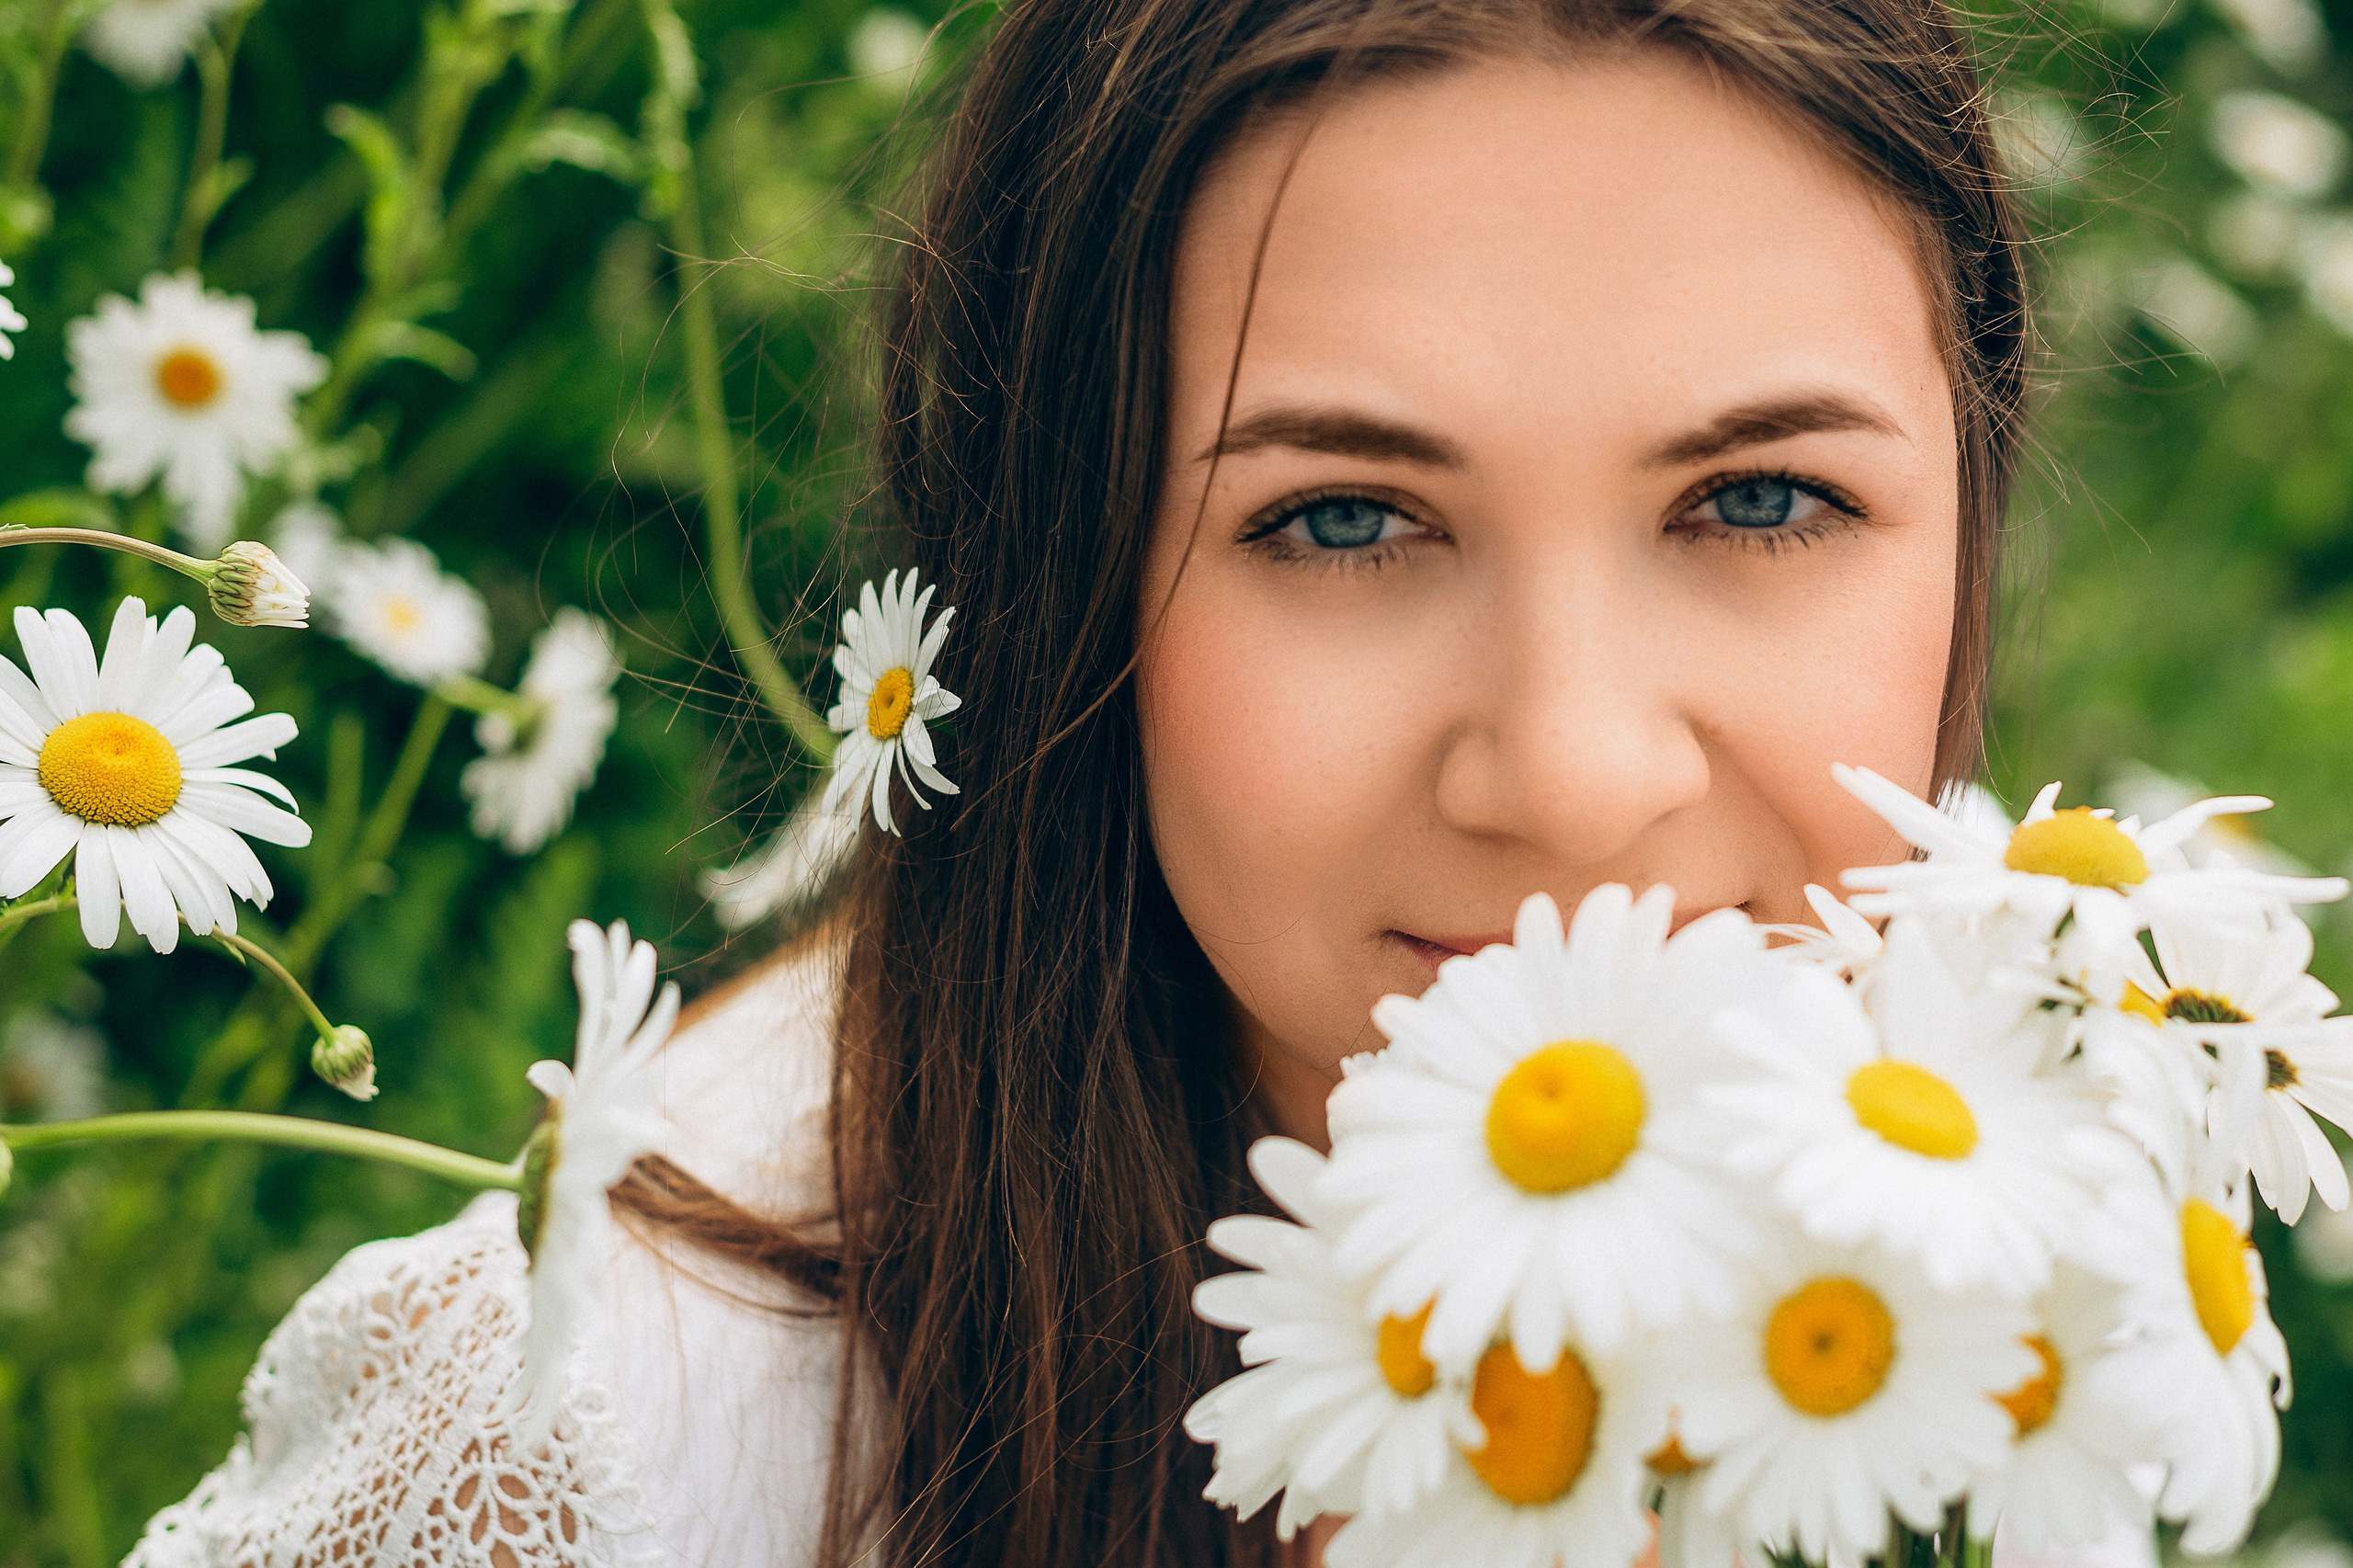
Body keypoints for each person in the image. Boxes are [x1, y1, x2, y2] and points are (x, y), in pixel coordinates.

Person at [126, 0, 2042, 1563]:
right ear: (1057, 580)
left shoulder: (2058, 1286)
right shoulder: (602, 1444)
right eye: (1346, 518)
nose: (1565, 775)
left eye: (1761, 500)